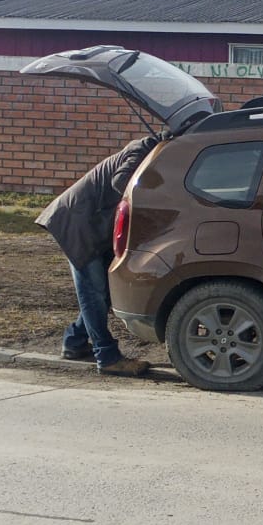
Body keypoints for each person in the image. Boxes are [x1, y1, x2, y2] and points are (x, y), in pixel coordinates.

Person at [36, 135, 161, 375]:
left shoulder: (149, 151)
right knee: (94, 295)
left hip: (91, 223)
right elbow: (121, 181)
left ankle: (74, 343)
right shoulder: (142, 150)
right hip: (79, 223)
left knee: (100, 293)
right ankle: (107, 357)